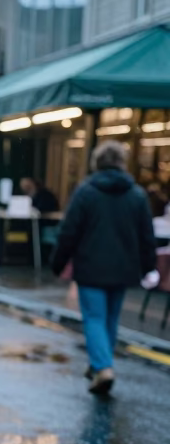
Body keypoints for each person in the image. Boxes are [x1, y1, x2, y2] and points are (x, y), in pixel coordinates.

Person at [52, 141, 158, 395]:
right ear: (122, 162)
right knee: (110, 319)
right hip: (123, 268)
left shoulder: (86, 192)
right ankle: (99, 364)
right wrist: (148, 266)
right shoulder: (137, 195)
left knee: (94, 318)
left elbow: (69, 231)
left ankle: (103, 367)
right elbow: (147, 235)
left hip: (91, 266)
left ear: (96, 163)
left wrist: (58, 261)